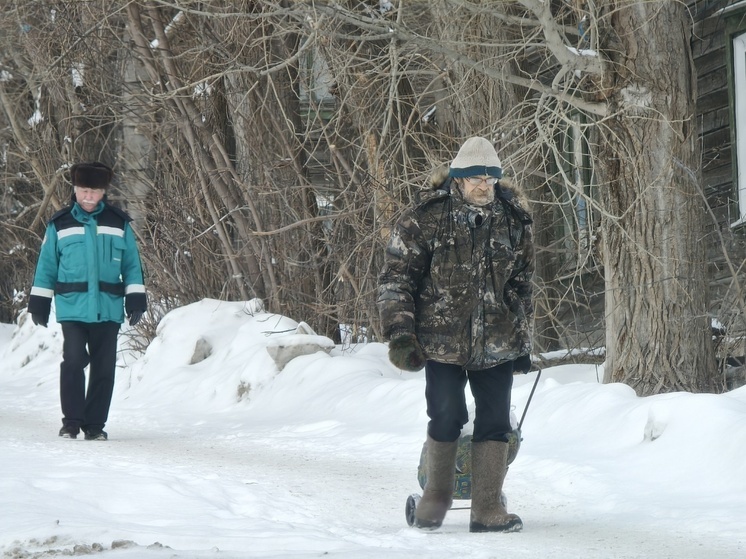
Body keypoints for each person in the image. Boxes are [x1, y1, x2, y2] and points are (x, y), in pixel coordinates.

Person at [377, 137, 534, 532]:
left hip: (495, 341)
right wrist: (401, 336)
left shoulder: (514, 221)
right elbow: (396, 280)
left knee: (496, 420)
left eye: (491, 178)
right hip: (441, 342)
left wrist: (518, 330)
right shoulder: (425, 218)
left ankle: (486, 509)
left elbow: (523, 282)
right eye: (476, 178)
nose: (485, 185)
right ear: (459, 180)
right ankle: (436, 496)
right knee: (446, 414)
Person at [28, 162, 147, 441]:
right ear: (75, 189)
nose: (89, 197)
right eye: (84, 191)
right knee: (73, 361)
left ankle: (95, 425)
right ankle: (71, 422)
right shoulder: (60, 224)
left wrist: (136, 300)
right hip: (73, 307)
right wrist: (39, 303)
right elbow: (46, 266)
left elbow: (132, 265)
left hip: (108, 307)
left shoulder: (118, 223)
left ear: (103, 192)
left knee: (104, 368)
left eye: (94, 191)